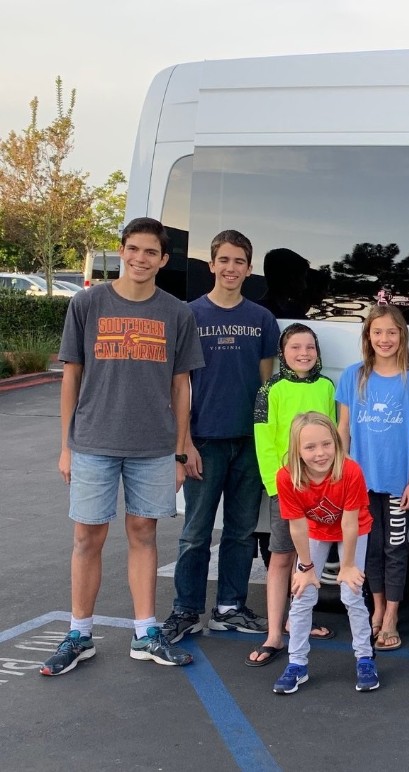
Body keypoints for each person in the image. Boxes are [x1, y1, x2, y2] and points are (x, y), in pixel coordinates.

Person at [42, 217, 205, 676]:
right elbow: (71, 375)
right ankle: (79, 633)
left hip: (153, 446)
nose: (140, 258)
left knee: (144, 534)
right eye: (133, 249)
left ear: (163, 259)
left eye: (150, 252)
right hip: (93, 441)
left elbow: (181, 386)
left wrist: (179, 449)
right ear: (122, 251)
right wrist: (66, 445)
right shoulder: (87, 303)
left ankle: (146, 633)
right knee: (86, 536)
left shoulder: (177, 313)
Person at [163, 230, 280, 645]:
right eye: (224, 260)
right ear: (211, 264)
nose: (231, 268)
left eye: (240, 262)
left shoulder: (262, 319)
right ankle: (186, 609)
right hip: (204, 441)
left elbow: (268, 386)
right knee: (195, 532)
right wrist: (184, 444)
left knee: (241, 531)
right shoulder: (189, 315)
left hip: (249, 443)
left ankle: (229, 607)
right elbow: (179, 384)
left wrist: (267, 440)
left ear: (250, 269)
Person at [244, 323, 337, 668]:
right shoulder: (270, 389)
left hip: (321, 486)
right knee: (282, 556)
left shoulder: (327, 387)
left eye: (309, 347)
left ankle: (299, 619)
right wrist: (277, 485)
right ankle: (273, 633)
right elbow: (264, 441)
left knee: (310, 557)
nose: (303, 353)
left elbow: (333, 436)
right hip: (287, 487)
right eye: (295, 347)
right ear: (283, 353)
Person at [337, 305, 409, 653]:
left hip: (397, 482)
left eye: (392, 332)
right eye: (378, 332)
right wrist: (342, 474)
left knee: (395, 548)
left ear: (401, 335)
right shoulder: (353, 375)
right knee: (370, 548)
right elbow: (343, 429)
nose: (385, 339)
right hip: (360, 482)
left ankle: (392, 615)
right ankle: (376, 607)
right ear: (368, 337)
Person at [270, 412, 379, 694]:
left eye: (326, 444)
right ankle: (297, 664)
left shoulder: (350, 470)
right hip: (315, 532)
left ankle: (365, 657)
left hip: (353, 529)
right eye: (310, 447)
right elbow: (297, 527)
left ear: (336, 442)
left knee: (351, 592)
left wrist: (348, 566)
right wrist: (306, 568)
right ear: (297, 450)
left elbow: (350, 521)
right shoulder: (287, 477)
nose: (320, 453)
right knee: (302, 594)